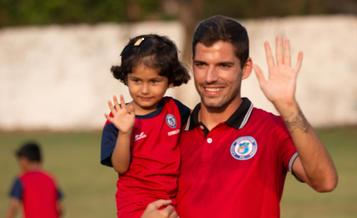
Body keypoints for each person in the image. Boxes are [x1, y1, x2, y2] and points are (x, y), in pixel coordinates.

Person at [142, 15, 338, 218]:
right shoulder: (170, 131)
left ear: (246, 68)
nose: (210, 77)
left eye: (223, 66)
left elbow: (325, 181)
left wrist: (288, 106)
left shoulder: (270, 129)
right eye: (202, 64)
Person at [100, 34, 190, 218]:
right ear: (125, 78)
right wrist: (125, 133)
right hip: (135, 208)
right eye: (137, 81)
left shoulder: (176, 110)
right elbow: (120, 167)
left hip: (176, 204)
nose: (144, 90)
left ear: (170, 80)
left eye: (154, 81)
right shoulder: (118, 118)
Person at [6, 141, 64, 218]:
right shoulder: (50, 178)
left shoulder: (21, 179)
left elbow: (14, 206)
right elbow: (59, 208)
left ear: (24, 160)